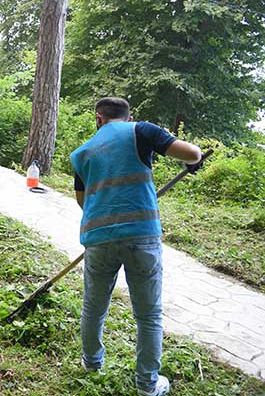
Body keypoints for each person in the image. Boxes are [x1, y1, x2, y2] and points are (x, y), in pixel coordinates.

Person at [70, 97, 201, 396]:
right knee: (148, 315)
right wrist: (192, 162)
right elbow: (192, 153)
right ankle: (147, 384)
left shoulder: (82, 152)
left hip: (99, 238)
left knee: (94, 307)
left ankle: (92, 364)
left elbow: (82, 201)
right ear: (128, 118)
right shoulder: (141, 131)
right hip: (142, 237)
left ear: (98, 119)